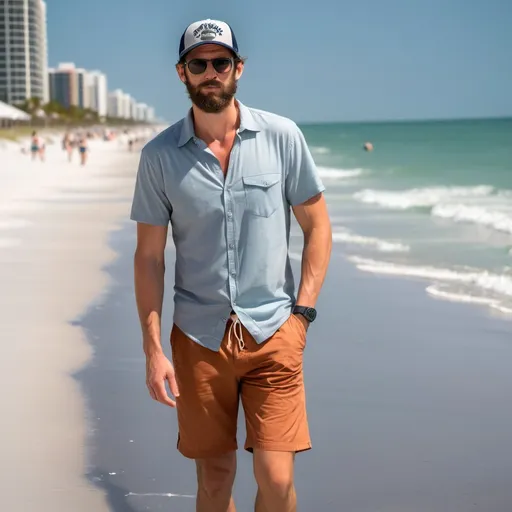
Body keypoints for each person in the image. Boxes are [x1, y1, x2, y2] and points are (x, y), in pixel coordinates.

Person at [130, 18, 332, 512]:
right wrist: (153, 350)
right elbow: (150, 257)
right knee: (215, 481)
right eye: (198, 64)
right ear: (182, 73)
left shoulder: (282, 137)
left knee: (277, 478)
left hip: (274, 332)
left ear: (239, 68)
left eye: (221, 62)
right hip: (198, 340)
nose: (210, 72)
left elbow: (318, 227)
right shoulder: (159, 157)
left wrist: (302, 315)